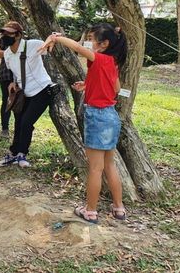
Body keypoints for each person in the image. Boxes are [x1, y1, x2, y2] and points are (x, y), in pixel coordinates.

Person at [39, 24, 128, 223]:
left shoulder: (100, 58)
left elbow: (78, 49)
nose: (87, 42)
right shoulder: (111, 62)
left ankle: (90, 211)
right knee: (109, 165)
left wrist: (56, 38)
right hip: (111, 116)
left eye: (91, 38)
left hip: (97, 117)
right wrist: (88, 85)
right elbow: (116, 88)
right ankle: (119, 208)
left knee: (95, 168)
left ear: (104, 44)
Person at [0, 21, 54, 168]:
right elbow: (15, 72)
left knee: (26, 122)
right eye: (3, 33)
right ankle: (14, 154)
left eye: (9, 33)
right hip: (25, 92)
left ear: (18, 35)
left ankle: (22, 154)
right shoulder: (7, 54)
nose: (5, 36)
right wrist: (13, 82)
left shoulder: (32, 45)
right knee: (19, 121)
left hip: (42, 90)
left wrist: (54, 37)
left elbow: (50, 44)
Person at [0, 33, 15, 139]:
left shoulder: (25, 40)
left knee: (21, 101)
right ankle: (5, 128)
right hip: (6, 74)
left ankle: (20, 128)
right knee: (6, 101)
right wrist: (10, 53)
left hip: (22, 75)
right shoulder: (3, 39)